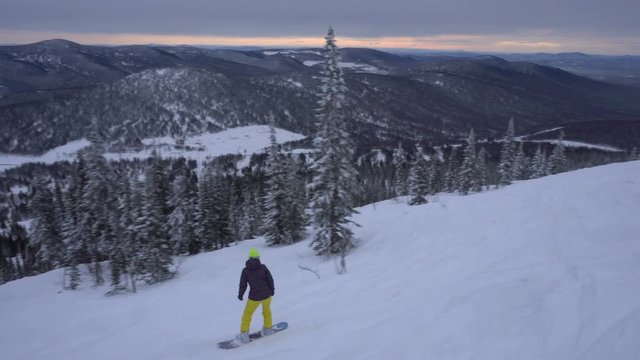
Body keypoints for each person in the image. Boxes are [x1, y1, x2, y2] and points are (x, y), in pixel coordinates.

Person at [236, 248, 275, 343]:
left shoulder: (245, 270)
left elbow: (243, 284)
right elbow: (270, 279)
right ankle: (268, 329)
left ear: (249, 258)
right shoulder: (263, 267)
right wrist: (272, 290)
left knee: (247, 315)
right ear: (258, 258)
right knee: (267, 312)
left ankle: (244, 335)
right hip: (267, 295)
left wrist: (240, 295)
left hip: (254, 297)